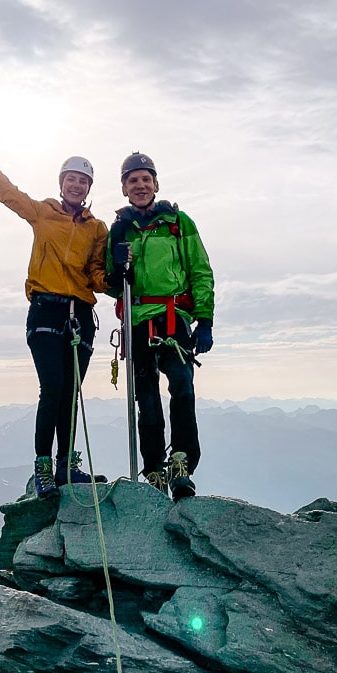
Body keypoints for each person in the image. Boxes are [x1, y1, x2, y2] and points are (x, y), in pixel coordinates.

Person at [0, 135, 114, 499]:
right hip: (46, 310)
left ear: (89, 187)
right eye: (71, 179)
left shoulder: (98, 228)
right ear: (61, 183)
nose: (76, 185)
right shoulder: (43, 211)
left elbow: (95, 273)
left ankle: (66, 465)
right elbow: (9, 194)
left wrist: (116, 278)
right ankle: (44, 466)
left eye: (83, 180)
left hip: (80, 316)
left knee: (70, 394)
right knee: (54, 388)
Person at [106, 152, 215, 501]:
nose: (140, 185)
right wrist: (116, 268)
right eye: (133, 180)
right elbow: (111, 283)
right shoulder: (119, 230)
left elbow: (199, 270)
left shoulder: (179, 223)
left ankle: (181, 463)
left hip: (173, 317)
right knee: (147, 398)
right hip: (138, 319)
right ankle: (154, 468)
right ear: (124, 188)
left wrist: (205, 318)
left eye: (145, 179)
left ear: (156, 184)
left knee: (182, 385)